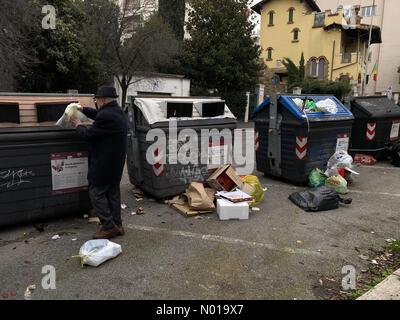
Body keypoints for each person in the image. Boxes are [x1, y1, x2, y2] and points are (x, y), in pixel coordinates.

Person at [71, 85, 128, 239]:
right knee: (113, 193)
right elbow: (98, 115)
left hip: (104, 164)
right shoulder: (118, 111)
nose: (96, 103)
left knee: (96, 192)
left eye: (97, 100)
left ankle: (109, 226)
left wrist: (78, 125)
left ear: (102, 100)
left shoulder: (107, 116)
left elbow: (89, 134)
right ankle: (118, 225)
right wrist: (83, 109)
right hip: (116, 163)